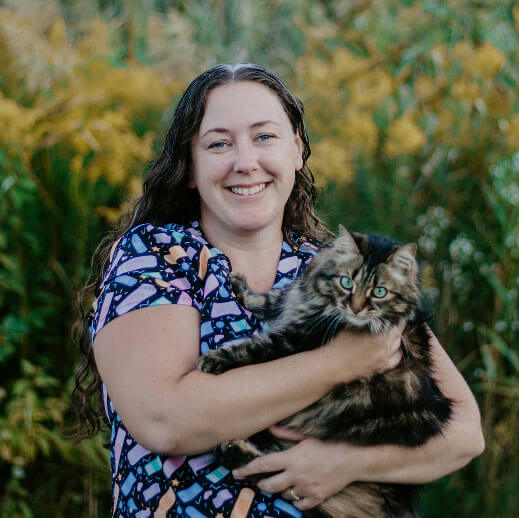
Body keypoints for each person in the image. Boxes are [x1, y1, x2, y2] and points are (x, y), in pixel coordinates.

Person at [73, 63, 485, 517]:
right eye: (218, 144)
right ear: (190, 168)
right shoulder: (156, 254)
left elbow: (465, 432)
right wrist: (338, 363)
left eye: (264, 137)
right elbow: (165, 420)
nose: (245, 161)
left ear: (297, 151)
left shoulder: (341, 266)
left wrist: (344, 462)